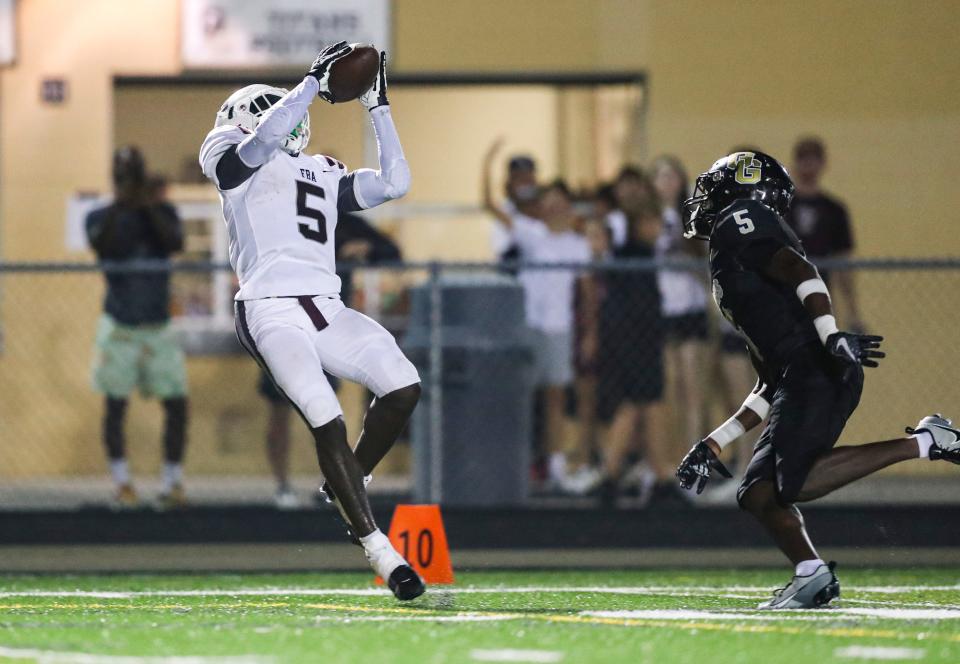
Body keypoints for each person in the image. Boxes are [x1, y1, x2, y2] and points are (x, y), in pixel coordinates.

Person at [676, 151, 960, 609]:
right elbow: (767, 385)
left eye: (716, 183)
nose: (705, 196)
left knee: (794, 483)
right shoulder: (732, 256)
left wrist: (829, 337)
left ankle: (927, 441)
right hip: (800, 371)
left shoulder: (739, 217)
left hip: (818, 365)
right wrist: (714, 442)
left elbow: (799, 268)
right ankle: (810, 575)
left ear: (744, 187)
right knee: (758, 493)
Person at [198, 42, 424, 601]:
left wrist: (379, 107)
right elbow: (263, 143)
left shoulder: (319, 168)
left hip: (326, 308)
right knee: (325, 415)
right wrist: (309, 86)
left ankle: (347, 483)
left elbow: (395, 183)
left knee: (403, 385)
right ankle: (380, 550)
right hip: (270, 308)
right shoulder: (231, 158)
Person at [260, 210, 402, 509]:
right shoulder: (284, 216)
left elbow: (392, 253)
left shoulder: (345, 222)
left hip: (327, 330)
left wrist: (365, 249)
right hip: (281, 324)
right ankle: (282, 484)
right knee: (280, 409)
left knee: (328, 414)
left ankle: (330, 485)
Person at [482, 145, 593, 491]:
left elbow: (588, 294)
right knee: (522, 393)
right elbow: (488, 205)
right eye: (550, 200)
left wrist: (590, 332)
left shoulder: (578, 244)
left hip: (559, 326)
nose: (555, 206)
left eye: (562, 201)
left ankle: (556, 464)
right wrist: (488, 160)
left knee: (555, 396)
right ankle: (518, 463)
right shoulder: (530, 231)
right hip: (527, 323)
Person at [86, 148, 189, 509]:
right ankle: (122, 483)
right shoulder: (102, 215)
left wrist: (146, 204)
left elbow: (174, 243)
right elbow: (103, 245)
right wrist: (121, 204)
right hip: (120, 324)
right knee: (115, 403)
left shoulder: (159, 214)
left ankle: (172, 483)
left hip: (157, 324)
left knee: (176, 403)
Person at [595, 200, 670, 506]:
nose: (656, 229)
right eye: (649, 222)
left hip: (639, 342)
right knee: (636, 405)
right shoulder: (632, 258)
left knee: (646, 406)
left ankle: (658, 476)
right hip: (635, 344)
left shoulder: (644, 256)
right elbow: (630, 308)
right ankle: (612, 474)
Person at [651, 155, 710, 457]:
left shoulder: (692, 216)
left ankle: (693, 454)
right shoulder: (646, 219)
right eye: (661, 177)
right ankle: (670, 454)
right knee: (668, 386)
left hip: (690, 306)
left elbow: (706, 263)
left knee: (692, 387)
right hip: (661, 308)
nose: (668, 183)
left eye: (673, 177)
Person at [783, 137, 863, 330]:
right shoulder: (781, 207)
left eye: (813, 159)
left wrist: (853, 311)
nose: (808, 165)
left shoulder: (834, 210)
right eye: (803, 158)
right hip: (783, 294)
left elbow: (843, 260)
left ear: (823, 163)